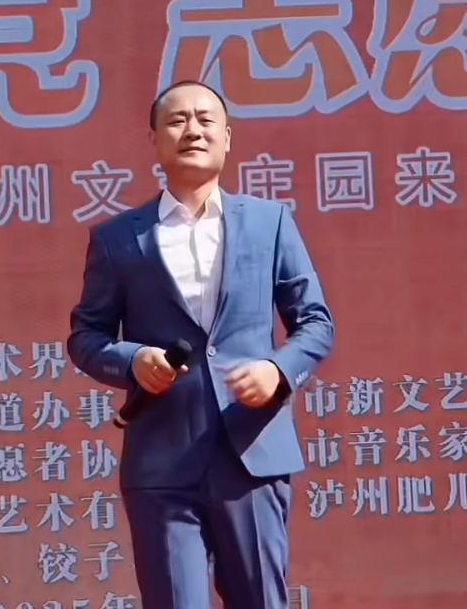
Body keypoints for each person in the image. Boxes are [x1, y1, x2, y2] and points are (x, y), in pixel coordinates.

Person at [67, 80, 335, 608]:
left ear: (227, 138)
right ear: (154, 140)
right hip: (162, 461)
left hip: (251, 451)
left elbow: (315, 322)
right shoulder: (118, 239)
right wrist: (132, 360)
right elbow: (86, 336)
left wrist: (278, 371)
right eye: (177, 120)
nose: (192, 129)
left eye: (206, 119)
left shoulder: (269, 222)